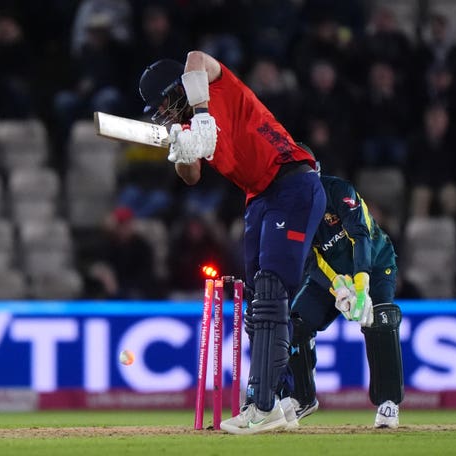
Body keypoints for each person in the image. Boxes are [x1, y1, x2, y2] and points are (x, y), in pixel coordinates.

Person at [138, 51, 326, 434]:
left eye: (162, 104)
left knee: (272, 291)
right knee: (259, 299)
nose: (161, 112)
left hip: (291, 181)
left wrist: (203, 113)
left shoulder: (213, 84)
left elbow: (196, 57)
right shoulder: (191, 126)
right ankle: (282, 398)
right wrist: (180, 144)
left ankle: (263, 404)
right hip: (259, 196)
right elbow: (190, 175)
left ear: (177, 92)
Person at [285, 169, 404, 428]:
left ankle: (388, 402)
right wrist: (337, 286)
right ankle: (302, 397)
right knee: (294, 323)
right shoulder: (292, 208)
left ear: (317, 174)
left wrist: (360, 286)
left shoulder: (340, 191)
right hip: (333, 273)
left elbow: (360, 236)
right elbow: (310, 259)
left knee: (380, 319)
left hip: (374, 263)